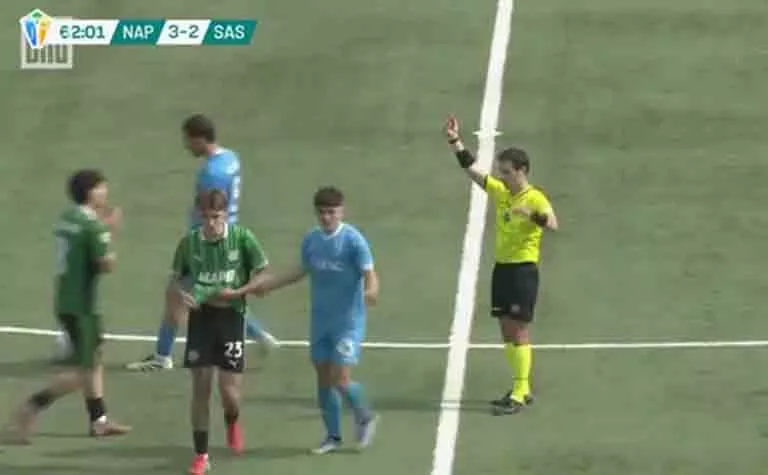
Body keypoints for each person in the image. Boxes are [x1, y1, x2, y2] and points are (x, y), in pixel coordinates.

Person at [232, 186, 379, 454]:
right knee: (323, 378)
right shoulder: (312, 240)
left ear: (341, 212)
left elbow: (370, 273)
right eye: (322, 212)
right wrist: (270, 285)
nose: (326, 217)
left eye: (331, 212)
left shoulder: (353, 241)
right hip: (320, 321)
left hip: (347, 322)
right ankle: (332, 437)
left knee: (340, 379)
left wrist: (371, 290)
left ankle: (365, 416)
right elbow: (301, 270)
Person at [126, 114, 277, 371]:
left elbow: (207, 212)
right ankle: (259, 334)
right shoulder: (231, 158)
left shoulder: (211, 174)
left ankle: (162, 357)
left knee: (179, 294)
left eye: (188, 140)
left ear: (199, 139)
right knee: (215, 294)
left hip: (207, 242)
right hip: (228, 235)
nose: (186, 146)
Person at [3, 169, 131, 444]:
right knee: (83, 371)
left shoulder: (68, 217)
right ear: (91, 192)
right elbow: (106, 265)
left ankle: (99, 420)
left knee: (94, 358)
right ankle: (30, 408)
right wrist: (110, 233)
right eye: (102, 188)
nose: (106, 192)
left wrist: (101, 226)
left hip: (66, 299)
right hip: (82, 306)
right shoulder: (94, 227)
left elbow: (79, 239)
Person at [444, 115, 559, 415]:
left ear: (522, 171)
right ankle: (522, 387)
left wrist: (530, 215)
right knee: (506, 329)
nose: (502, 176)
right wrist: (455, 141)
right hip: (503, 269)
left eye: (507, 172)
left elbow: (553, 223)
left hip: (523, 271)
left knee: (518, 330)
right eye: (501, 172)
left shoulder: (534, 198)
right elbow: (472, 169)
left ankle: (520, 392)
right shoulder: (501, 192)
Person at [172, 189, 269, 474]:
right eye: (206, 217)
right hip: (202, 318)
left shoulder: (242, 238)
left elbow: (263, 273)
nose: (211, 223)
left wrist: (239, 291)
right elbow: (177, 279)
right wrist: (183, 295)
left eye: (216, 217)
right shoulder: (189, 243)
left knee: (229, 392)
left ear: (225, 214)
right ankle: (201, 455)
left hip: (231, 317)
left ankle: (232, 420)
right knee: (201, 387)